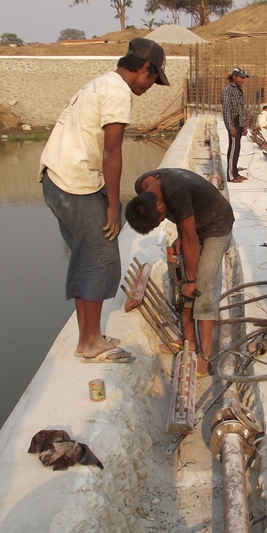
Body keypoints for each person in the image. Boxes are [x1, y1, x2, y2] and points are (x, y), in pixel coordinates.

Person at [39, 37, 169, 363]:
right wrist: (113, 204)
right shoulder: (117, 92)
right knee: (100, 258)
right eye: (153, 78)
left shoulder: (101, 82)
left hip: (57, 178)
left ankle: (88, 337)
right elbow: (112, 151)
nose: (151, 86)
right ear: (144, 68)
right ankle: (91, 342)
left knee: (87, 256)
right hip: (75, 183)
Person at [126, 168, 234, 374]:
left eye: (159, 220)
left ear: (159, 205)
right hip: (195, 221)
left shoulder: (176, 192)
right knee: (182, 277)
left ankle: (205, 357)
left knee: (202, 287)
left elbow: (191, 238)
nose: (161, 222)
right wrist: (181, 237)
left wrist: (191, 281)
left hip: (217, 224)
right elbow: (183, 220)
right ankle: (189, 341)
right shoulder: (143, 187)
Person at [222, 67, 249, 183]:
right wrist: (230, 126)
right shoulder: (227, 90)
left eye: (243, 78)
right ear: (234, 76)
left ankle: (235, 172)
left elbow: (241, 109)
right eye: (240, 77)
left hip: (239, 122)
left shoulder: (239, 89)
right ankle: (231, 176)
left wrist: (243, 126)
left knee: (237, 148)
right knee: (233, 148)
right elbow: (227, 110)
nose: (242, 80)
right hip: (233, 122)